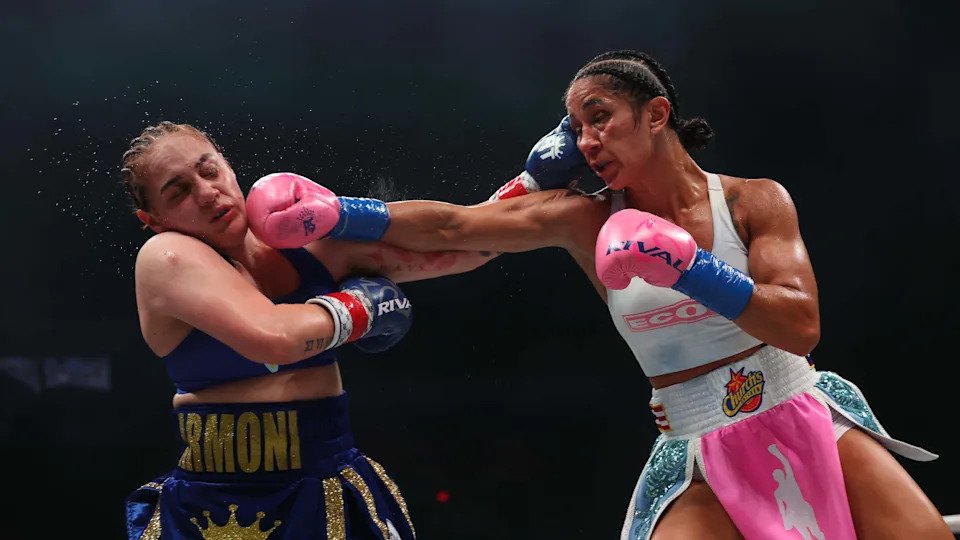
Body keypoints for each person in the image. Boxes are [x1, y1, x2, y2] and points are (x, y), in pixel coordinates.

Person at [257, 51, 954, 539]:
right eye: (576, 128)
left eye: (600, 117)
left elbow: (800, 326)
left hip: (798, 408)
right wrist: (340, 213)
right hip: (695, 447)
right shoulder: (583, 219)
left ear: (657, 114)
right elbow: (453, 225)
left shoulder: (753, 201)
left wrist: (689, 268)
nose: (587, 141)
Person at [119, 121, 497, 539]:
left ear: (228, 166)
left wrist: (535, 181)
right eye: (179, 192)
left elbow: (466, 240)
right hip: (215, 506)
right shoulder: (164, 258)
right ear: (153, 220)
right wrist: (363, 307)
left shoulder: (306, 241)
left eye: (209, 171)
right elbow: (276, 338)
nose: (208, 193)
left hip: (327, 480)